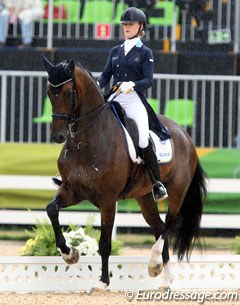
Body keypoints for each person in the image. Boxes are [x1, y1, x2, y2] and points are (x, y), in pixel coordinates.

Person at [98, 7, 168, 202]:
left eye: (130, 24)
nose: (127, 27)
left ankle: (157, 184)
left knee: (143, 139)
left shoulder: (145, 52)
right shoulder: (115, 51)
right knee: (91, 125)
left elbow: (149, 80)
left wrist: (133, 85)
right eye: (125, 24)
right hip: (115, 97)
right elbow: (106, 75)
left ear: (140, 27)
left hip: (134, 100)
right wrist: (98, 84)